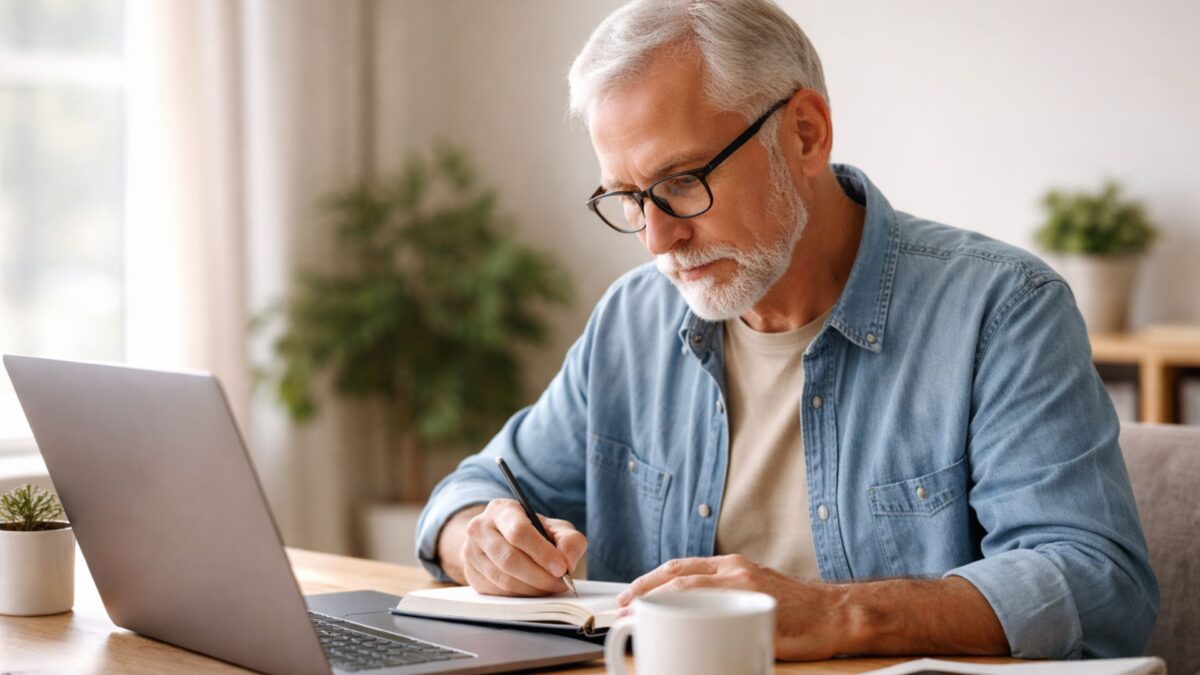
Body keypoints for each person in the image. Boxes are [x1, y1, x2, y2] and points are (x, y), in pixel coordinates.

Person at [415, 0, 1158, 661]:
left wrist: (841, 613)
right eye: (628, 197)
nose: (655, 238)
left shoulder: (1002, 310)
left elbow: (1098, 579)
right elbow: (472, 489)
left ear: (805, 133)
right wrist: (479, 536)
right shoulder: (633, 319)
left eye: (681, 182)